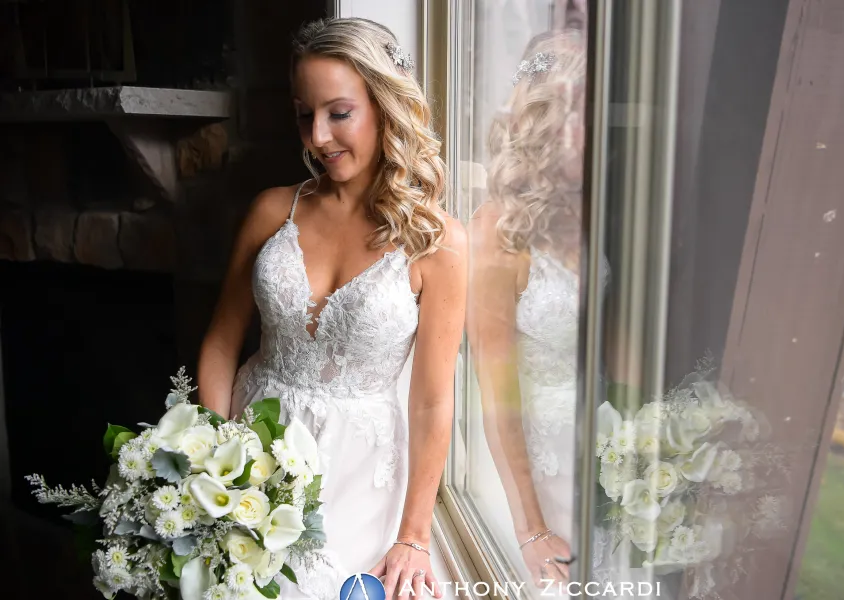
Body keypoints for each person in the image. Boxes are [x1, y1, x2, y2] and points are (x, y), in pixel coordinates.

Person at [197, 17, 466, 600]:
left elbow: (433, 398)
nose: (317, 136)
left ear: (384, 106)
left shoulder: (436, 242)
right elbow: (222, 340)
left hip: (360, 476)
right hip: (252, 447)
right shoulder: (273, 210)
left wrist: (414, 535)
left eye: (338, 113)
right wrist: (212, 455)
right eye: (304, 113)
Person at [467, 29, 588, 589]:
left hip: (602, 457)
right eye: (574, 115)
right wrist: (533, 530)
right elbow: (497, 399)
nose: (589, 135)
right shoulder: (497, 230)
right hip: (540, 473)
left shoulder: (599, 216)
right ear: (544, 122)